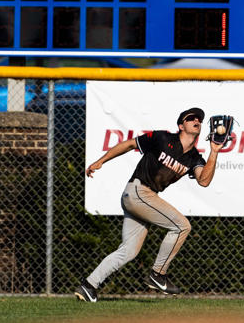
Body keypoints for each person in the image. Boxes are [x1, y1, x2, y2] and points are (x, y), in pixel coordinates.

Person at [74, 107, 224, 301]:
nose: (197, 121)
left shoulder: (193, 157)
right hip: (138, 191)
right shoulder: (162, 138)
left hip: (143, 198)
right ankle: (158, 274)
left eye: (199, 119)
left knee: (128, 251)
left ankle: (88, 286)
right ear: (181, 125)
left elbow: (203, 180)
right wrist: (101, 161)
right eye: (191, 118)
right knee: (182, 226)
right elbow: (129, 144)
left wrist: (214, 151)